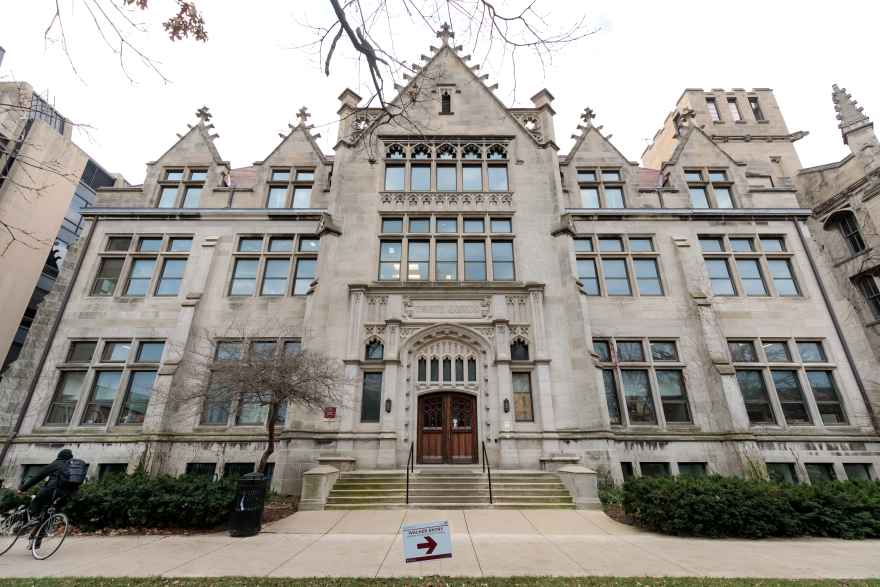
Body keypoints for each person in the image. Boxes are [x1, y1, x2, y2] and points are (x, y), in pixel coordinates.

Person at [16, 449, 80, 520]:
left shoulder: (55, 464)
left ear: (59, 455)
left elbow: (38, 477)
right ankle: (42, 527)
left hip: (52, 490)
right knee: (48, 511)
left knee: (36, 501)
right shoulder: (72, 467)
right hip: (66, 494)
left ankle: (35, 517)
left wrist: (22, 489)